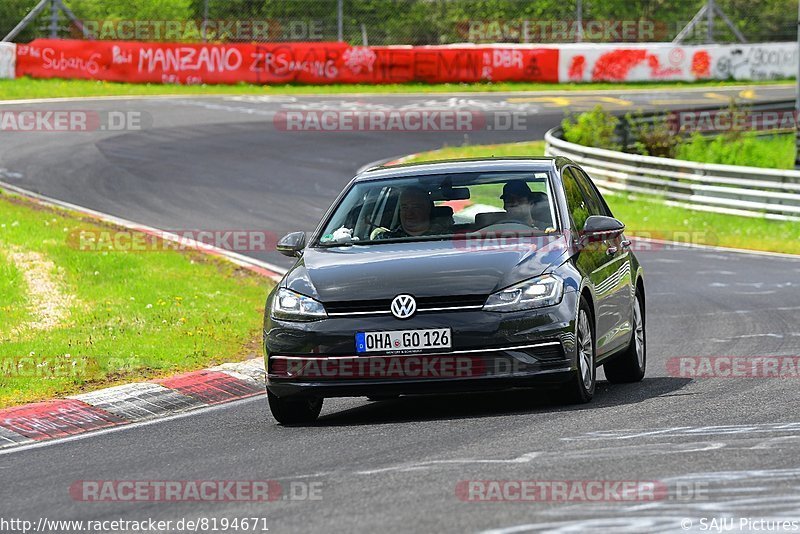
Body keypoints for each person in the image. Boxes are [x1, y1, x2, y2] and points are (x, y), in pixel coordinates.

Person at [372, 187, 449, 239]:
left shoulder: (446, 237)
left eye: (416, 207)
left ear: (428, 209)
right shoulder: (384, 238)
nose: (409, 213)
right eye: (404, 207)